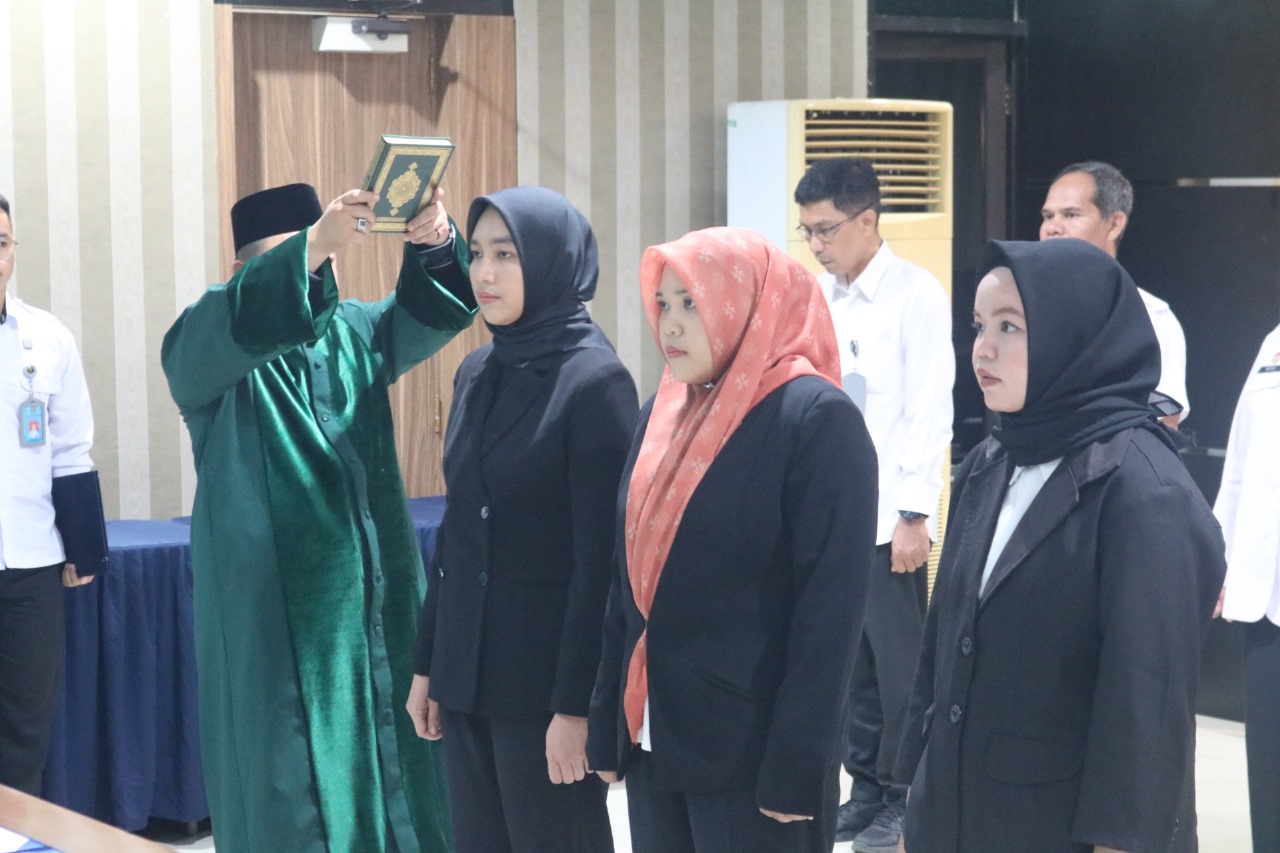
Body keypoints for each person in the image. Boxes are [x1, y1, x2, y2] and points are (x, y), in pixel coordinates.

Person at [161, 182, 474, 852]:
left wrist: (434, 243)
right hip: (277, 634)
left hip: (379, 610)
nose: (316, 273)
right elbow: (205, 336)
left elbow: (429, 313)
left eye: (326, 258)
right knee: (294, 798)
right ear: (244, 273)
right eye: (298, 259)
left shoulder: (355, 332)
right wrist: (308, 248)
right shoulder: (212, 354)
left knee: (408, 780)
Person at [894, 239, 1225, 853]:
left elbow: (1147, 703)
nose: (982, 349)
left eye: (1010, 327)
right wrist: (917, 802)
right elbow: (943, 644)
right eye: (979, 326)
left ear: (1075, 335)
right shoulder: (991, 460)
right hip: (958, 814)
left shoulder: (1145, 492)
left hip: (1055, 825)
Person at [587, 226, 879, 853]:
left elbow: (829, 617)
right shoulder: (664, 410)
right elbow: (627, 580)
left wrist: (798, 767)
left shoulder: (815, 419)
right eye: (663, 302)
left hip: (752, 757)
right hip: (655, 738)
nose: (670, 323)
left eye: (692, 302)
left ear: (747, 303)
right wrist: (608, 719)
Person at [407, 186, 637, 853]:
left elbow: (602, 566)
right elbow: (458, 533)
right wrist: (430, 665)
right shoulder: (477, 370)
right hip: (467, 672)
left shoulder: (595, 382)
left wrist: (576, 707)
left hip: (542, 687)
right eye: (477, 253)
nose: (484, 272)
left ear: (551, 261)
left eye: (506, 255)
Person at [793, 156, 954, 852]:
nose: (817, 244)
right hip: (832, 516)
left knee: (899, 672)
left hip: (892, 518)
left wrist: (916, 513)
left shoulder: (916, 294)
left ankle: (905, 796)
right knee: (849, 665)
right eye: (807, 231)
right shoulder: (816, 297)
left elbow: (929, 409)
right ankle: (863, 789)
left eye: (826, 229)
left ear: (868, 220)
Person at [0, 191, 96, 795]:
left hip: (31, 564)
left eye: (1, 243)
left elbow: (70, 448)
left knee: (25, 729)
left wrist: (82, 546)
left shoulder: (47, 337)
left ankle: (14, 833)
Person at [1040, 161, 1189, 425]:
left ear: (1114, 224)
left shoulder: (1150, 317)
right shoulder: (1026, 308)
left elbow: (1165, 427)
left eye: (1071, 215)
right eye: (1048, 216)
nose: (1053, 227)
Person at [1212, 323, 1280, 852]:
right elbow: (1238, 463)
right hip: (1263, 599)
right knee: (1269, 769)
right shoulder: (1273, 342)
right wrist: (1219, 560)